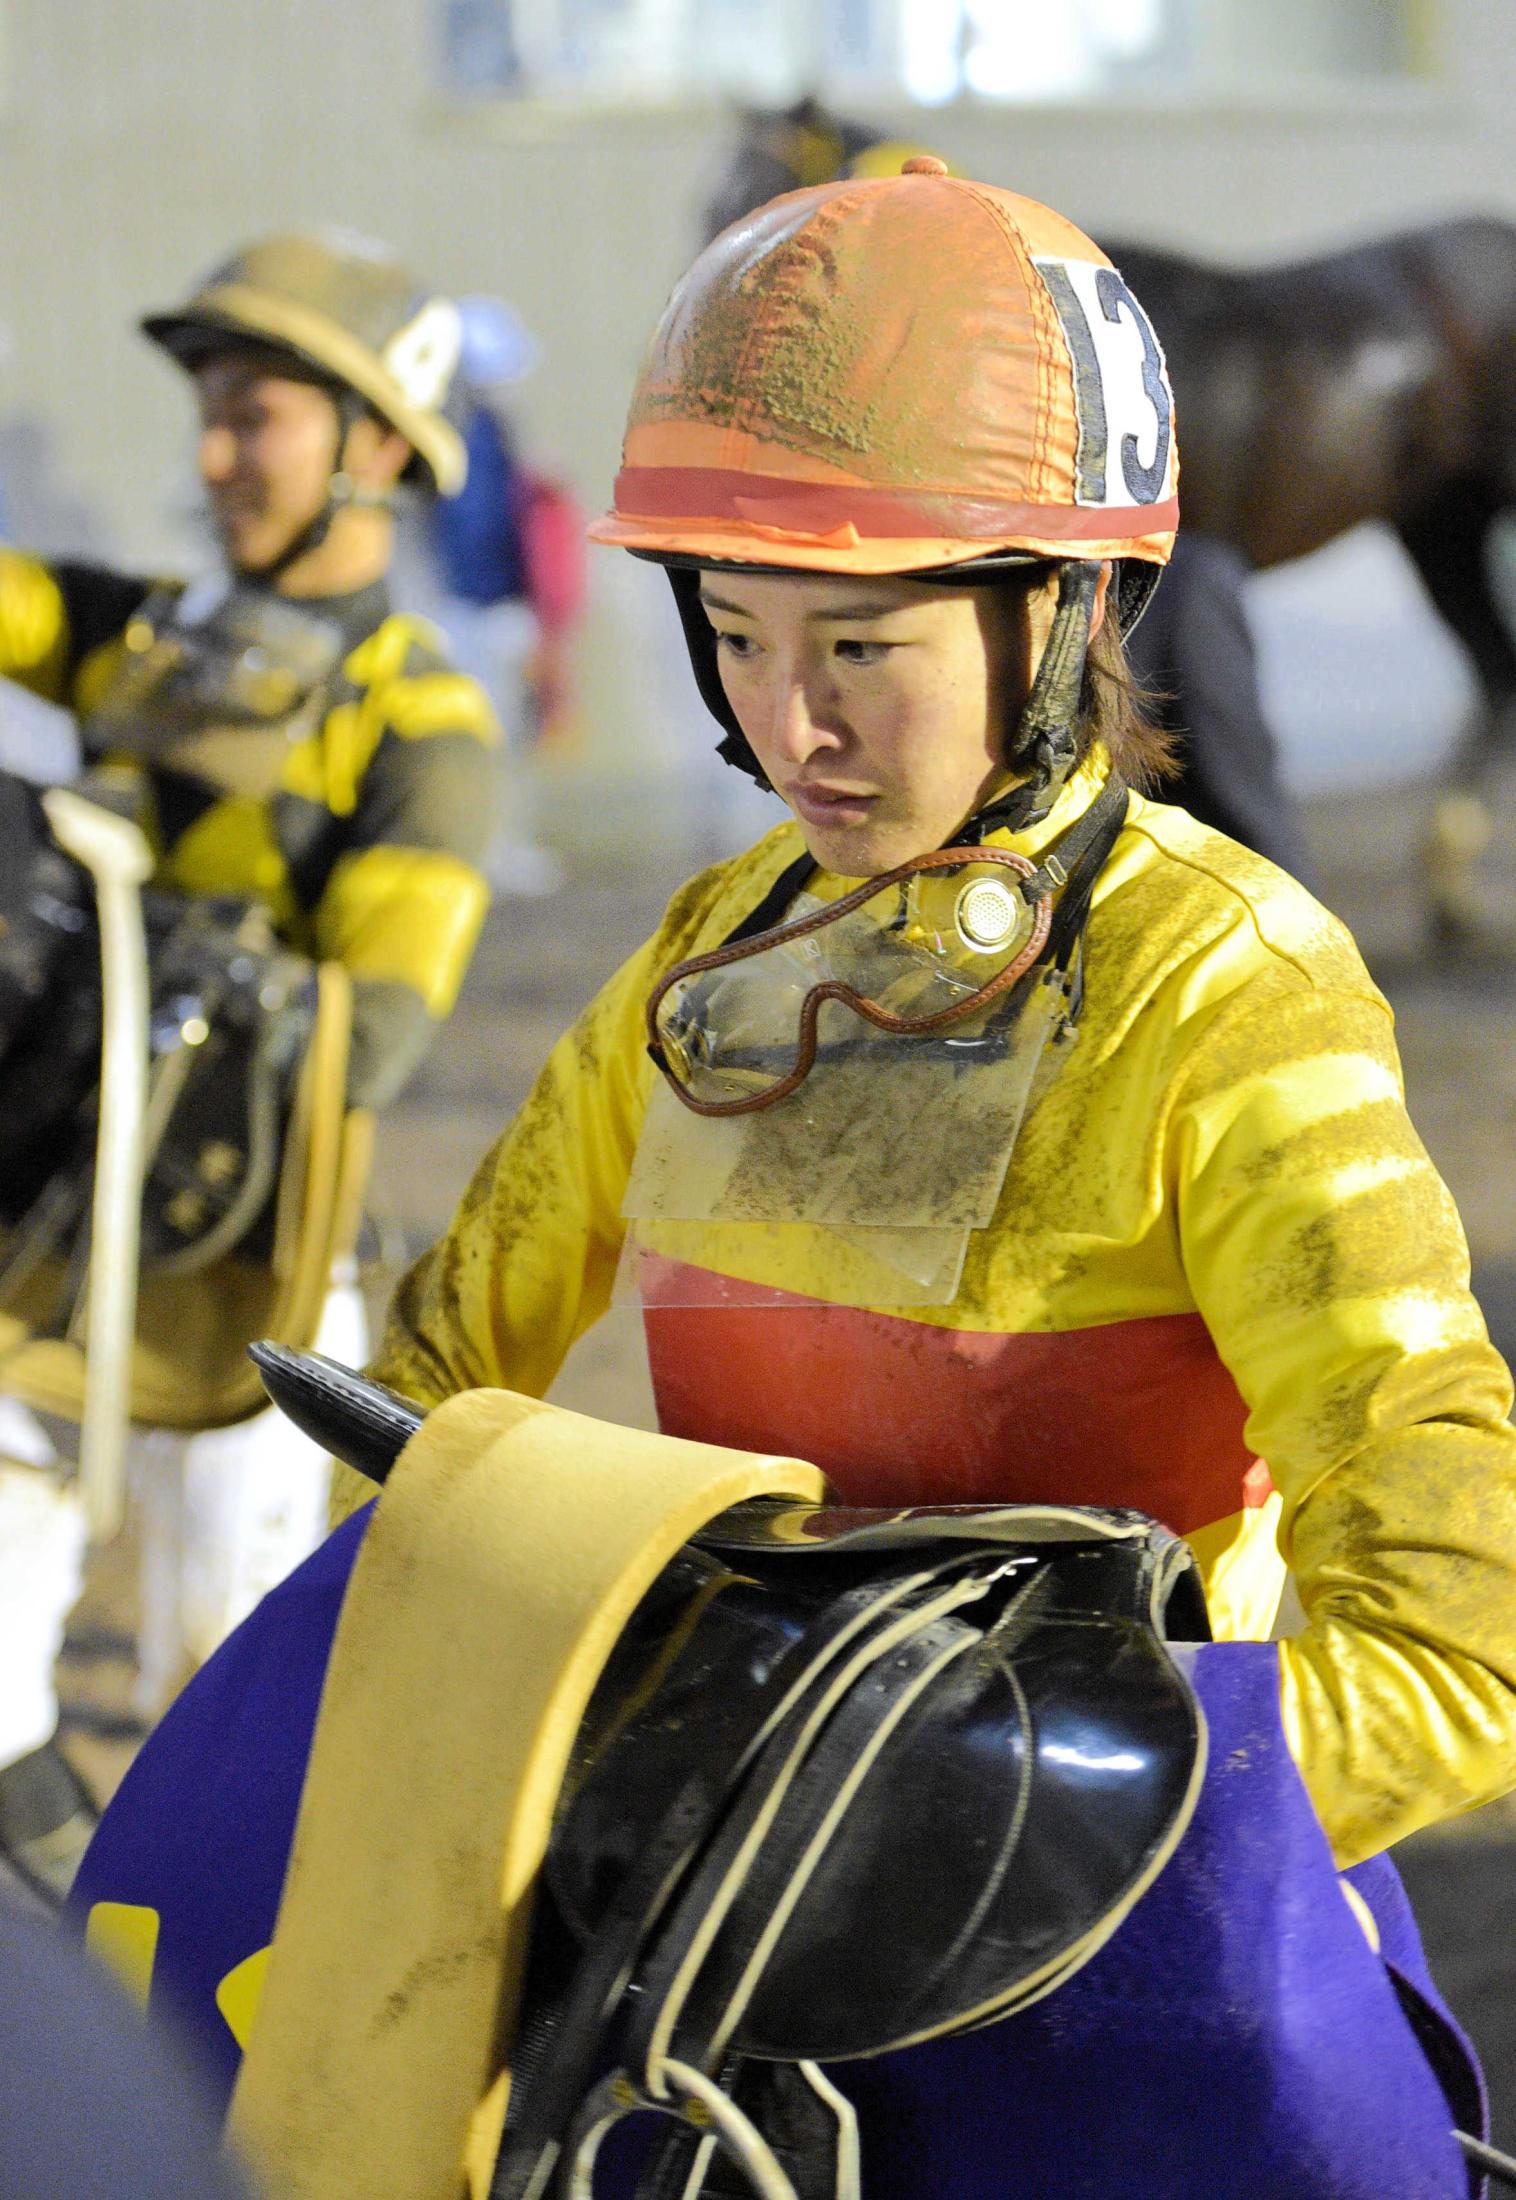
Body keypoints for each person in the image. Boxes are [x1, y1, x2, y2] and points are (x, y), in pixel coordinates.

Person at [73, 164, 1516, 2191]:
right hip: (720, 1864)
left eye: (860, 643)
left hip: (1119, 1932)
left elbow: (1463, 1638)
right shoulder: (705, 958)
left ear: (1065, 608)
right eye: (735, 636)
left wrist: (1057, 1803)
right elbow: (438, 1362)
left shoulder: (1228, 987)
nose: (789, 720)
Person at [0, 229, 501, 1889]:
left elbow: (375, 1034)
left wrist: (144, 966)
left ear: (374, 445)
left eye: (256, 416)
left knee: (216, 1710)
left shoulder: (420, 716)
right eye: (208, 415)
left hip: (254, 1288)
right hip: (60, 1232)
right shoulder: (141, 640)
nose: (214, 457)